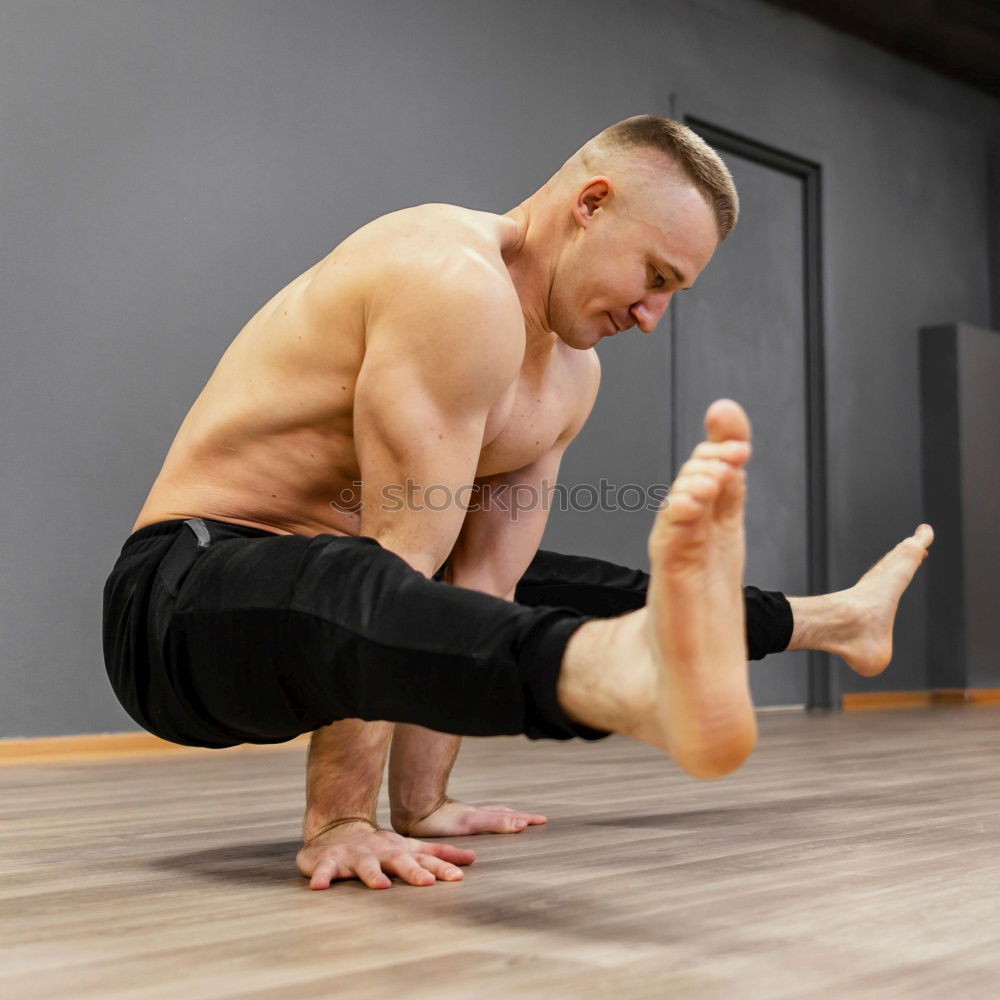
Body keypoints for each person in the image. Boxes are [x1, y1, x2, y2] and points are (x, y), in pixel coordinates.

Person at [103, 115, 934, 891]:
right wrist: (344, 820)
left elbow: (481, 584)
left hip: (330, 597)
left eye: (674, 291)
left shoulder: (571, 376)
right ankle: (603, 675)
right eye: (654, 276)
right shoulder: (449, 279)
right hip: (181, 604)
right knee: (370, 570)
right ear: (591, 204)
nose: (652, 317)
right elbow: (397, 560)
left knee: (560, 586)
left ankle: (829, 620)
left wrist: (421, 805)